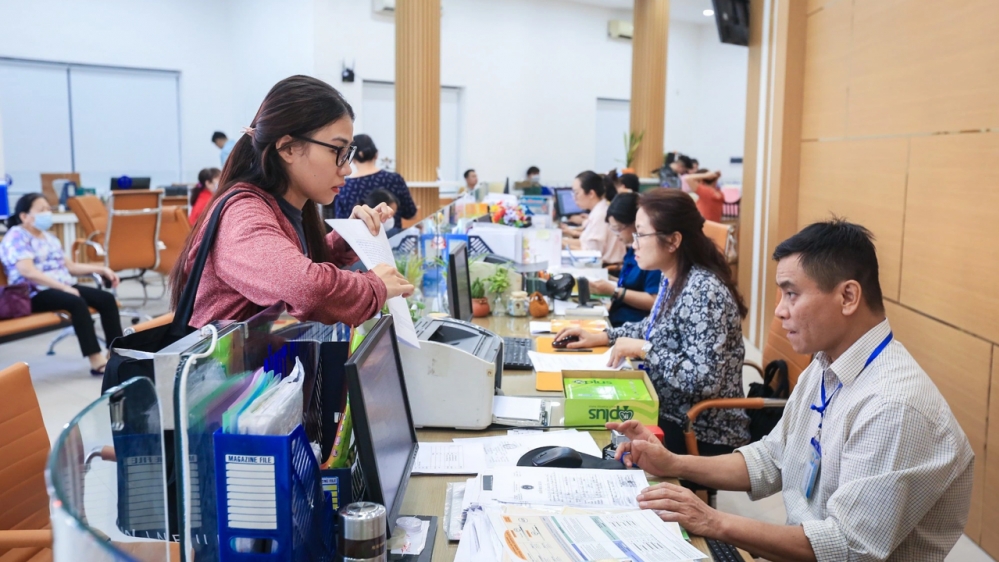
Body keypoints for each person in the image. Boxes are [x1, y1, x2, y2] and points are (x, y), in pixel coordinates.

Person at [611, 220, 974, 562]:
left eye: (791, 294)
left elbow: (844, 548)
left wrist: (712, 521)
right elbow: (772, 458)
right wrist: (674, 463)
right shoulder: (826, 364)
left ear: (848, 296)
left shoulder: (893, 406)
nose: (780, 311)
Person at [171, 76, 415, 329]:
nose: (347, 169)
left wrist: (349, 237)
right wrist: (374, 286)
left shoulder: (285, 205)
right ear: (288, 148)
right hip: (221, 355)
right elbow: (306, 287)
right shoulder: (242, 214)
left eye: (348, 153)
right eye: (336, 151)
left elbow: (293, 263)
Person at [556, 189, 749, 456]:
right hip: (665, 408)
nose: (633, 244)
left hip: (698, 428)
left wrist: (644, 349)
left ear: (673, 241)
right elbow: (653, 328)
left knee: (594, 436)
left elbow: (705, 380)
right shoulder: (672, 276)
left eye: (641, 234)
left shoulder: (703, 291)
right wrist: (602, 336)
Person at [0, 193, 122, 375]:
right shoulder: (16, 236)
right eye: (41, 210)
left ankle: (116, 354)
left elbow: (70, 267)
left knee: (106, 299)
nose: (47, 213)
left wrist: (102, 269)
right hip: (32, 293)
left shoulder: (49, 238)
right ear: (24, 216)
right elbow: (28, 271)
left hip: (61, 286)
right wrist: (64, 288)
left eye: (48, 209)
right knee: (76, 302)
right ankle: (95, 360)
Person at [586, 192, 660, 327]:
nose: (616, 235)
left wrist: (614, 291)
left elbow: (654, 300)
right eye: (613, 229)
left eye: (619, 229)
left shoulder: (654, 256)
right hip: (617, 317)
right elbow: (630, 283)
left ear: (636, 224)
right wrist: (607, 280)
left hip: (633, 324)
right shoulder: (633, 249)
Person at [332, 134, 417, 229]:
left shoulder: (344, 187)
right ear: (376, 155)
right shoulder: (394, 179)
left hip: (357, 238)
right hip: (393, 237)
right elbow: (411, 214)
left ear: (353, 159)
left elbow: (342, 224)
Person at [559, 171, 626, 264]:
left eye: (576, 193)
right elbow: (585, 244)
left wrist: (564, 246)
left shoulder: (601, 215)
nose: (574, 198)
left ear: (591, 194)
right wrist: (560, 242)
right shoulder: (598, 211)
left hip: (606, 267)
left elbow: (592, 254)